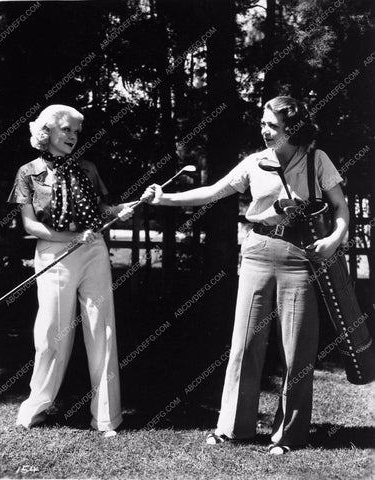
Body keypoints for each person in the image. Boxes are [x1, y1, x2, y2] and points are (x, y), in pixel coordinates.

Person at [141, 96, 349, 454]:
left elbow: (340, 207)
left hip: (301, 258)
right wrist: (164, 199)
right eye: (263, 123)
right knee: (245, 343)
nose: (265, 131)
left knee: (296, 351)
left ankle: (289, 436)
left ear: (292, 129)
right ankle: (234, 428)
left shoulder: (317, 159)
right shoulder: (254, 163)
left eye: (273, 126)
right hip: (255, 253)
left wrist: (333, 239)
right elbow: (212, 191)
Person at [8, 104, 134, 435]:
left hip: (93, 250)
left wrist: (121, 209)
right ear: (47, 130)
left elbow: (102, 209)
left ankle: (107, 417)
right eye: (67, 130)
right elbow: (31, 226)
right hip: (54, 252)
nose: (73, 137)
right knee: (51, 332)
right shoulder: (28, 172)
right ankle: (36, 406)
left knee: (102, 329)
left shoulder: (87, 168)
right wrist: (71, 236)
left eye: (77, 131)